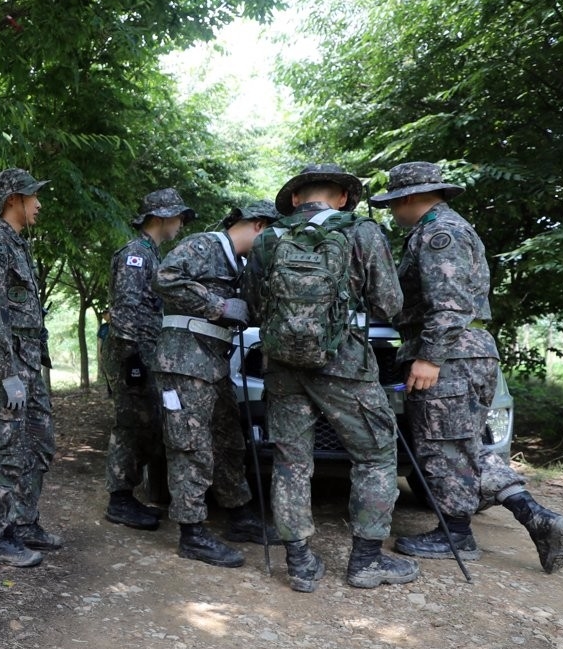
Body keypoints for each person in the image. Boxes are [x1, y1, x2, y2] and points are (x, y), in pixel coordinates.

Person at [370, 161, 563, 573]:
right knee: (465, 446)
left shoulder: (438, 235)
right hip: (467, 353)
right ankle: (539, 519)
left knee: (443, 448)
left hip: (452, 355)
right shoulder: (443, 229)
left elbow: (448, 304)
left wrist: (430, 357)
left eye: (396, 204)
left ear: (411, 198)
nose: (395, 213)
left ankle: (457, 535)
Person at [241, 165, 420, 592]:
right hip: (346, 364)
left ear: (297, 198)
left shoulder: (269, 238)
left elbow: (252, 305)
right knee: (375, 456)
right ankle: (366, 561)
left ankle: (300, 564)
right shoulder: (362, 233)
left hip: (283, 365)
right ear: (342, 198)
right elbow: (390, 302)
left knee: (290, 461)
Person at [151, 200, 284, 566]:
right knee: (190, 446)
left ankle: (239, 514)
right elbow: (164, 277)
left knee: (229, 441)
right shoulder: (204, 245)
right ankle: (191, 532)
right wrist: (218, 305)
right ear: (258, 225)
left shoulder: (240, 264)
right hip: (183, 363)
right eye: (272, 234)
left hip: (213, 365)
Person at [0, 168, 60, 567]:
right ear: (13, 200)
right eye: (32, 197)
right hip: (3, 368)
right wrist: (8, 375)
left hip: (27, 365)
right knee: (5, 451)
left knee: (38, 443)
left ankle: (24, 522)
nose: (38, 204)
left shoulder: (18, 245)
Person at [102, 189, 192, 530]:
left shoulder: (151, 254)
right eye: (178, 217)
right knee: (130, 425)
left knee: (143, 424)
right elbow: (125, 311)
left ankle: (128, 495)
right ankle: (120, 500)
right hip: (133, 354)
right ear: (162, 217)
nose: (181, 224)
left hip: (143, 352)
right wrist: (133, 361)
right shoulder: (136, 255)